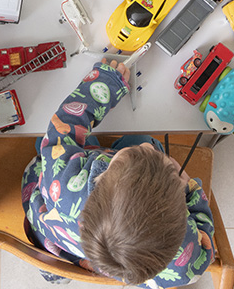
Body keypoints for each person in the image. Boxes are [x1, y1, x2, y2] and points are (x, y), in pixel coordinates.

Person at [22, 58, 216, 286]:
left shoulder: (65, 182)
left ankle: (57, 264)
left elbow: (63, 124)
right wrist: (191, 191)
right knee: (142, 138)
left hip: (56, 218)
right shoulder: (183, 262)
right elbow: (203, 246)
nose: (148, 148)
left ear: (100, 177)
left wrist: (106, 82)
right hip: (101, 259)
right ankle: (65, 263)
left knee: (47, 147)